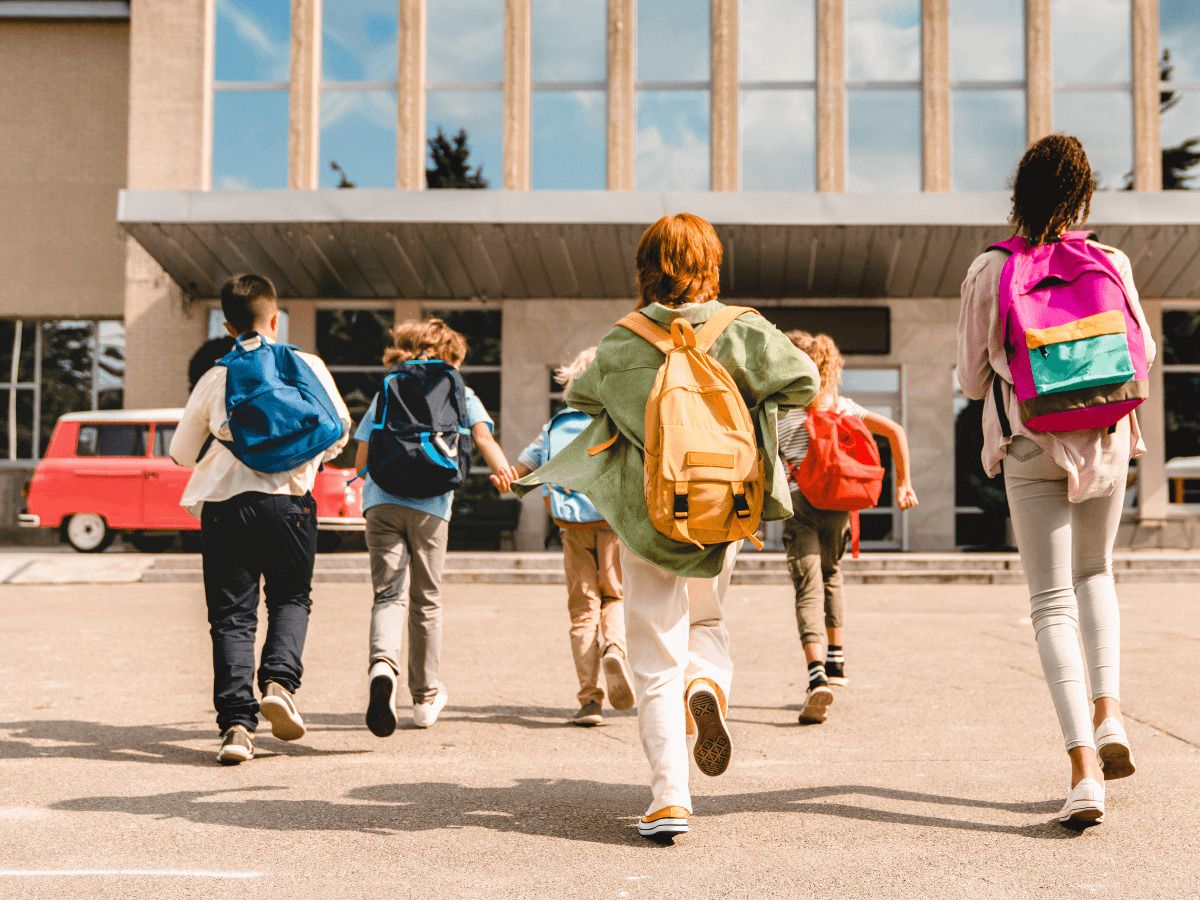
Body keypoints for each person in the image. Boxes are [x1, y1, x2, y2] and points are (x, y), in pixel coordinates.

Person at [512, 213, 819, 841]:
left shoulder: (622, 342)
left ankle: (670, 796)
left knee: (654, 655)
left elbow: (581, 404)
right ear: (711, 264)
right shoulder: (744, 330)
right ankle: (706, 683)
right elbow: (804, 382)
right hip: (724, 509)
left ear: (645, 267)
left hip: (649, 514)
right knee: (707, 620)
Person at [957, 134, 1155, 828]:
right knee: (1096, 575)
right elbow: (1145, 355)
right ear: (1083, 197)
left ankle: (1082, 772)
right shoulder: (1110, 259)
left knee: (1050, 603)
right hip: (1102, 439)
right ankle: (1110, 714)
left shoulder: (990, 268)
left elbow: (971, 377)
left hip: (1030, 439)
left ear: (1021, 194)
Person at [170, 274, 351, 765]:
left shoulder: (216, 375)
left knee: (232, 617)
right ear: (276, 318)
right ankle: (279, 683)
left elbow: (180, 453)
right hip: (291, 503)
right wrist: (299, 459)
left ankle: (236, 728)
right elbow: (339, 431)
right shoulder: (306, 365)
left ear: (227, 323)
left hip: (227, 507)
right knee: (291, 597)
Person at [359, 318, 518, 736]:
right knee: (425, 600)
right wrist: (505, 472)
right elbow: (483, 439)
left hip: (381, 503)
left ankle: (382, 667)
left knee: (388, 595)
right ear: (450, 356)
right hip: (432, 506)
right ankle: (425, 699)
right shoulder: (462, 393)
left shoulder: (389, 387)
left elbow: (363, 458)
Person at [778, 331, 918, 724]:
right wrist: (904, 483)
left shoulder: (782, 411)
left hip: (801, 505)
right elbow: (897, 432)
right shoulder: (841, 406)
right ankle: (837, 662)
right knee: (832, 574)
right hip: (839, 504)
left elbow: (763, 462)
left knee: (808, 586)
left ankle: (816, 673)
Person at [508, 347, 634, 728]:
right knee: (615, 596)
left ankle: (589, 700)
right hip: (613, 521)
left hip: (571, 526)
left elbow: (521, 470)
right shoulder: (617, 421)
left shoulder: (555, 425)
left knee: (583, 611)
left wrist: (506, 474)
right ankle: (614, 646)